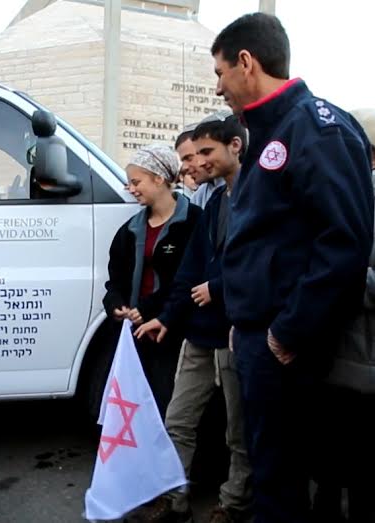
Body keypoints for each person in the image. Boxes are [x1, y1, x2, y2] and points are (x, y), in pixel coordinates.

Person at [212, 13, 373, 522]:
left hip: (290, 347)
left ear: (246, 62)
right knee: (272, 475)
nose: (218, 88)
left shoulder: (316, 129)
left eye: (219, 73)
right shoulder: (270, 132)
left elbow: (344, 243)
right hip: (263, 338)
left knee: (284, 483)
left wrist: (288, 330)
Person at [134, 115, 251, 523]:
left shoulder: (258, 195)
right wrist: (168, 317)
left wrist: (217, 287)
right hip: (200, 333)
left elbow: (260, 261)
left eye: (205, 152)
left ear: (235, 147)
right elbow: (190, 268)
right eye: (191, 154)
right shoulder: (216, 202)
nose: (194, 163)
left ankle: (233, 505)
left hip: (236, 332)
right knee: (178, 420)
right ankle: (175, 500)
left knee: (238, 433)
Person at [103, 144, 202, 417]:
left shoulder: (194, 222)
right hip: (135, 334)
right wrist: (117, 305)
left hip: (174, 331)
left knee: (170, 408)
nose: (131, 189)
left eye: (136, 182)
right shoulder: (130, 230)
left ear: (159, 178)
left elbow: (189, 279)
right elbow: (114, 282)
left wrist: (149, 308)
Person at [311, 107, 375, 523]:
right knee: (327, 476)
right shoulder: (334, 199)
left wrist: (339, 274)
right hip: (325, 361)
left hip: (363, 367)